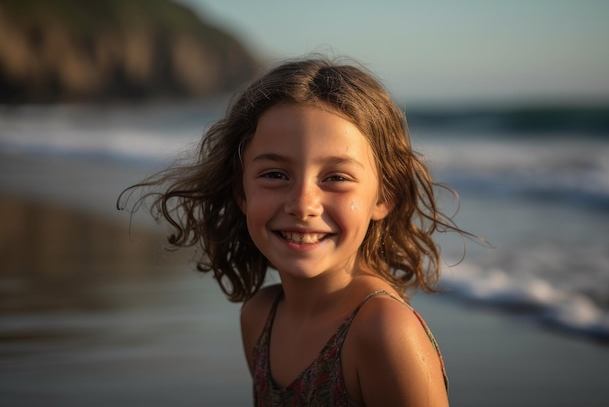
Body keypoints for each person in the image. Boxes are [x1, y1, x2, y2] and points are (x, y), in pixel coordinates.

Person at [118, 55, 468, 406]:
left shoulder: (385, 331)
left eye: (336, 178)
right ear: (241, 192)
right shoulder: (259, 319)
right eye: (275, 175)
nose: (303, 204)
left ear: (385, 196)